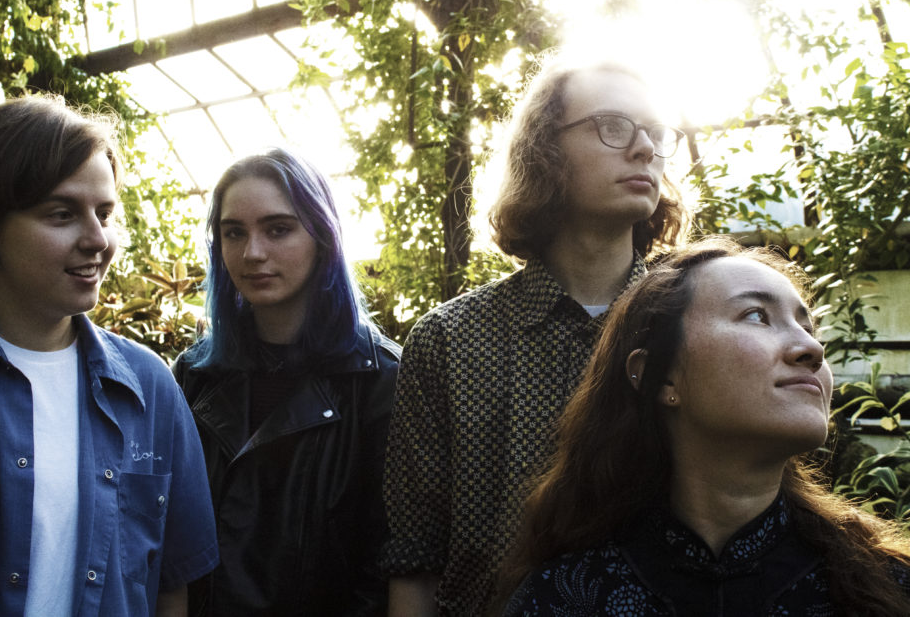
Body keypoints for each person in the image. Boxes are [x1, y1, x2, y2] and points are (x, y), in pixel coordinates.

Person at [0, 95, 219, 616]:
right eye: (62, 214)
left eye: (104, 213)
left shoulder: (149, 389)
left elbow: (171, 587)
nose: (98, 240)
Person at [381, 55, 688, 615]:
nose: (645, 149)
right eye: (614, 126)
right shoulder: (450, 340)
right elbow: (414, 557)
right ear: (544, 151)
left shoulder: (694, 328)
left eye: (655, 132)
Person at [498, 237, 910, 616]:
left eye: (808, 328)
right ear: (660, 377)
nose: (813, 348)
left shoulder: (888, 587)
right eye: (756, 316)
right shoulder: (564, 598)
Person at [173, 148, 401, 616]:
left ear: (323, 236)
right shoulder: (192, 377)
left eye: (278, 229)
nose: (252, 253)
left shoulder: (382, 380)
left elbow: (389, 561)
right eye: (234, 232)